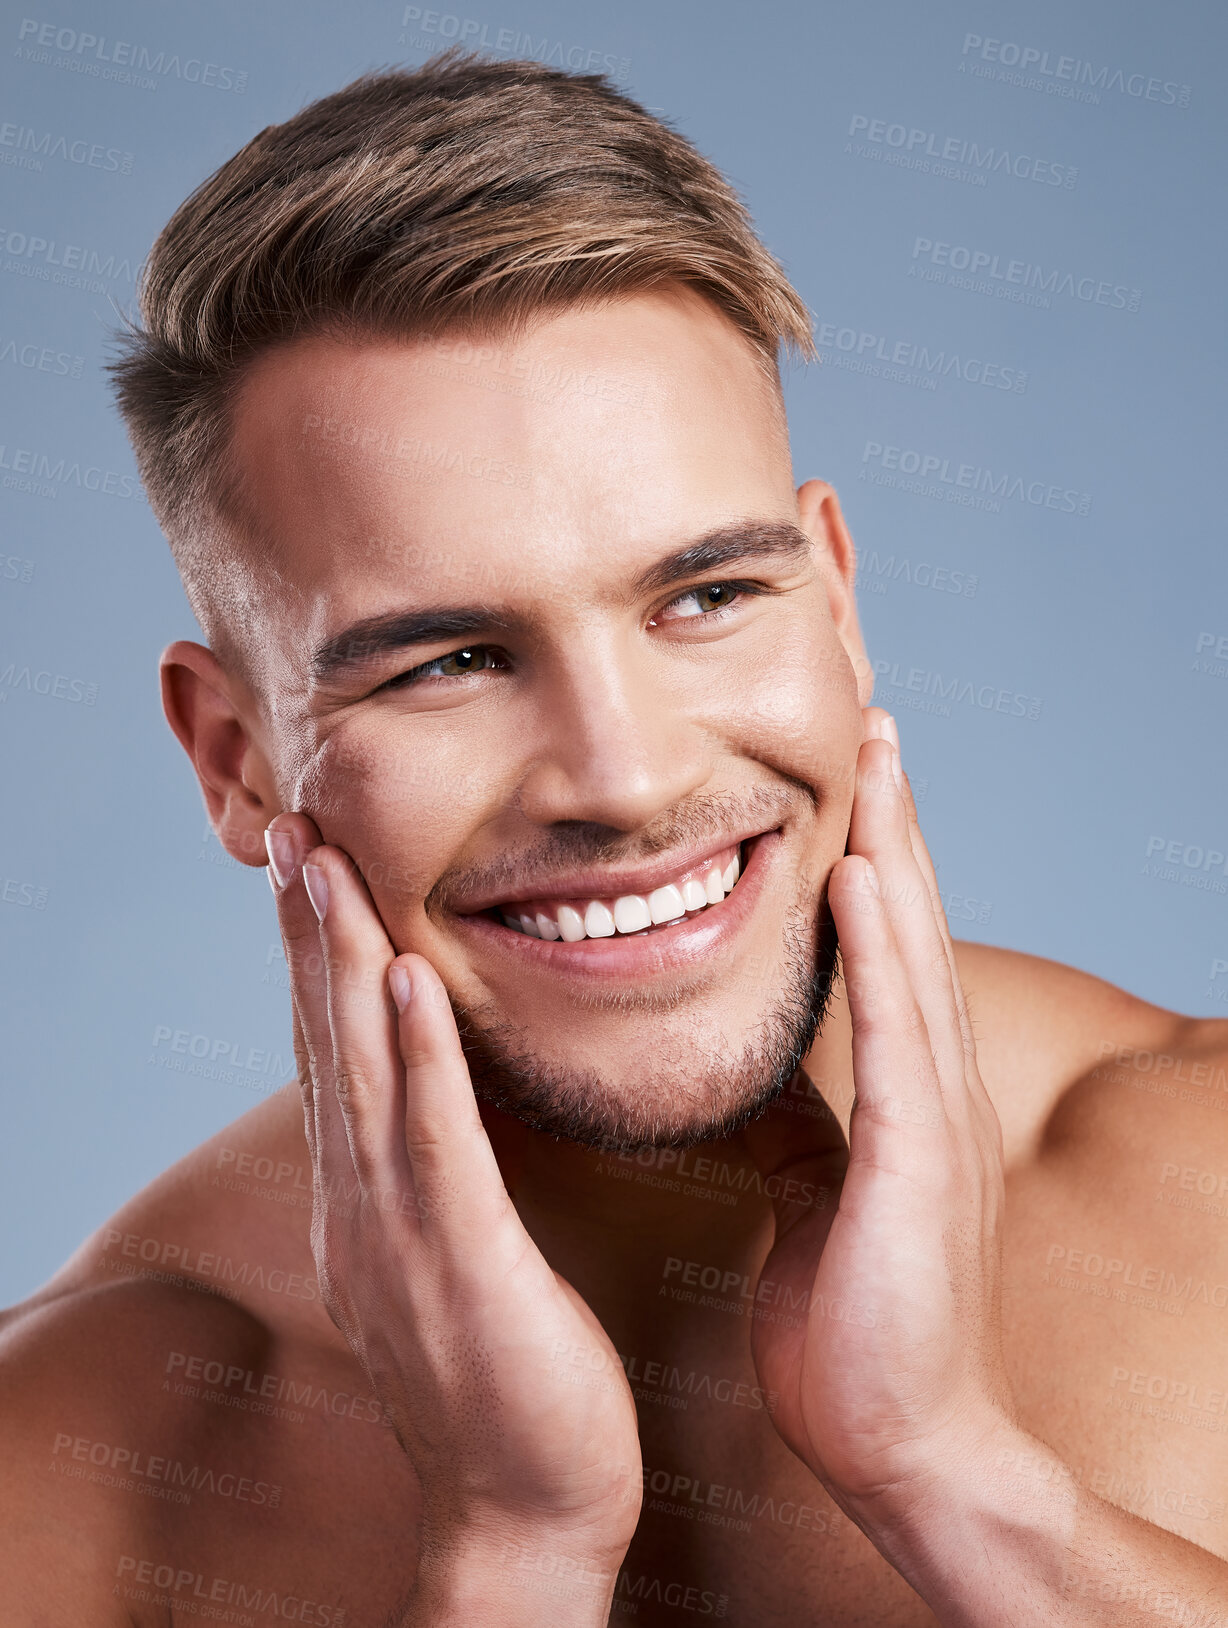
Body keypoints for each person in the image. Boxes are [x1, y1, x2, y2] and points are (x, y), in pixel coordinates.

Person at [3, 49, 1226, 1627]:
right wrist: (513, 1556)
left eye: (707, 597)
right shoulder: (72, 1461)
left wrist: (954, 1480)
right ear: (236, 761)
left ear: (837, 604)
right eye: (449, 660)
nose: (628, 779)